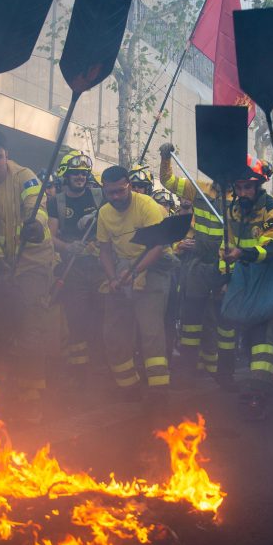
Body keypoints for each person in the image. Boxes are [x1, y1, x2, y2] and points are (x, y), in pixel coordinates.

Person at [0, 128, 57, 421]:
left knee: (30, 324)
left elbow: (37, 206)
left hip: (34, 261)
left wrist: (37, 225)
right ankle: (2, 391)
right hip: (5, 267)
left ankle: (33, 398)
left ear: (7, 156)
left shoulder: (25, 176)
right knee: (2, 327)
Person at [158, 142, 236, 386]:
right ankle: (186, 373)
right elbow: (168, 181)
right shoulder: (198, 189)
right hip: (199, 266)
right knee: (191, 319)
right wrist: (165, 157)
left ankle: (225, 375)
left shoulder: (241, 199)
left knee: (226, 324)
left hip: (226, 266)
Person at [96, 165, 174, 406]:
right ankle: (128, 386)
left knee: (150, 331)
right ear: (105, 191)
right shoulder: (104, 214)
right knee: (113, 331)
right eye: (111, 193)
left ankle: (159, 391)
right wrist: (112, 279)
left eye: (120, 191)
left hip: (154, 267)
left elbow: (158, 247)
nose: (116, 197)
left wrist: (134, 272)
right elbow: (105, 250)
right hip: (121, 270)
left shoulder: (148, 207)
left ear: (128, 185)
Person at [222, 156, 273, 420]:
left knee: (263, 331)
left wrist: (242, 253)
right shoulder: (234, 210)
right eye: (239, 187)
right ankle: (256, 380)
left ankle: (259, 389)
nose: (243, 193)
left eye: (248, 187)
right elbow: (227, 244)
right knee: (247, 329)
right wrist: (224, 275)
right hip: (244, 273)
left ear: (259, 185)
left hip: (270, 274)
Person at [47, 150, 105, 388]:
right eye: (75, 174)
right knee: (76, 319)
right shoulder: (56, 202)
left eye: (83, 173)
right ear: (66, 176)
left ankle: (101, 370)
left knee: (100, 318)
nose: (80, 177)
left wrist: (97, 237)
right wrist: (69, 247)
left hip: (101, 267)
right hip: (73, 270)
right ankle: (79, 374)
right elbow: (50, 238)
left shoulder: (100, 196)